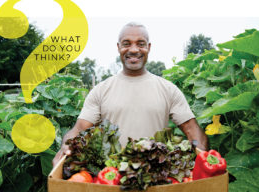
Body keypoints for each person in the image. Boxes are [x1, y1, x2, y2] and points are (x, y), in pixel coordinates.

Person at [52, 22, 208, 167]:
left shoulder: (168, 89)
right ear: (119, 47)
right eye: (127, 44)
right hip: (111, 178)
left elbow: (192, 131)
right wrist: (66, 146)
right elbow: (78, 130)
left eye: (141, 44)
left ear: (149, 47)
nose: (133, 50)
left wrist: (204, 161)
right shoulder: (100, 91)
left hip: (156, 177)